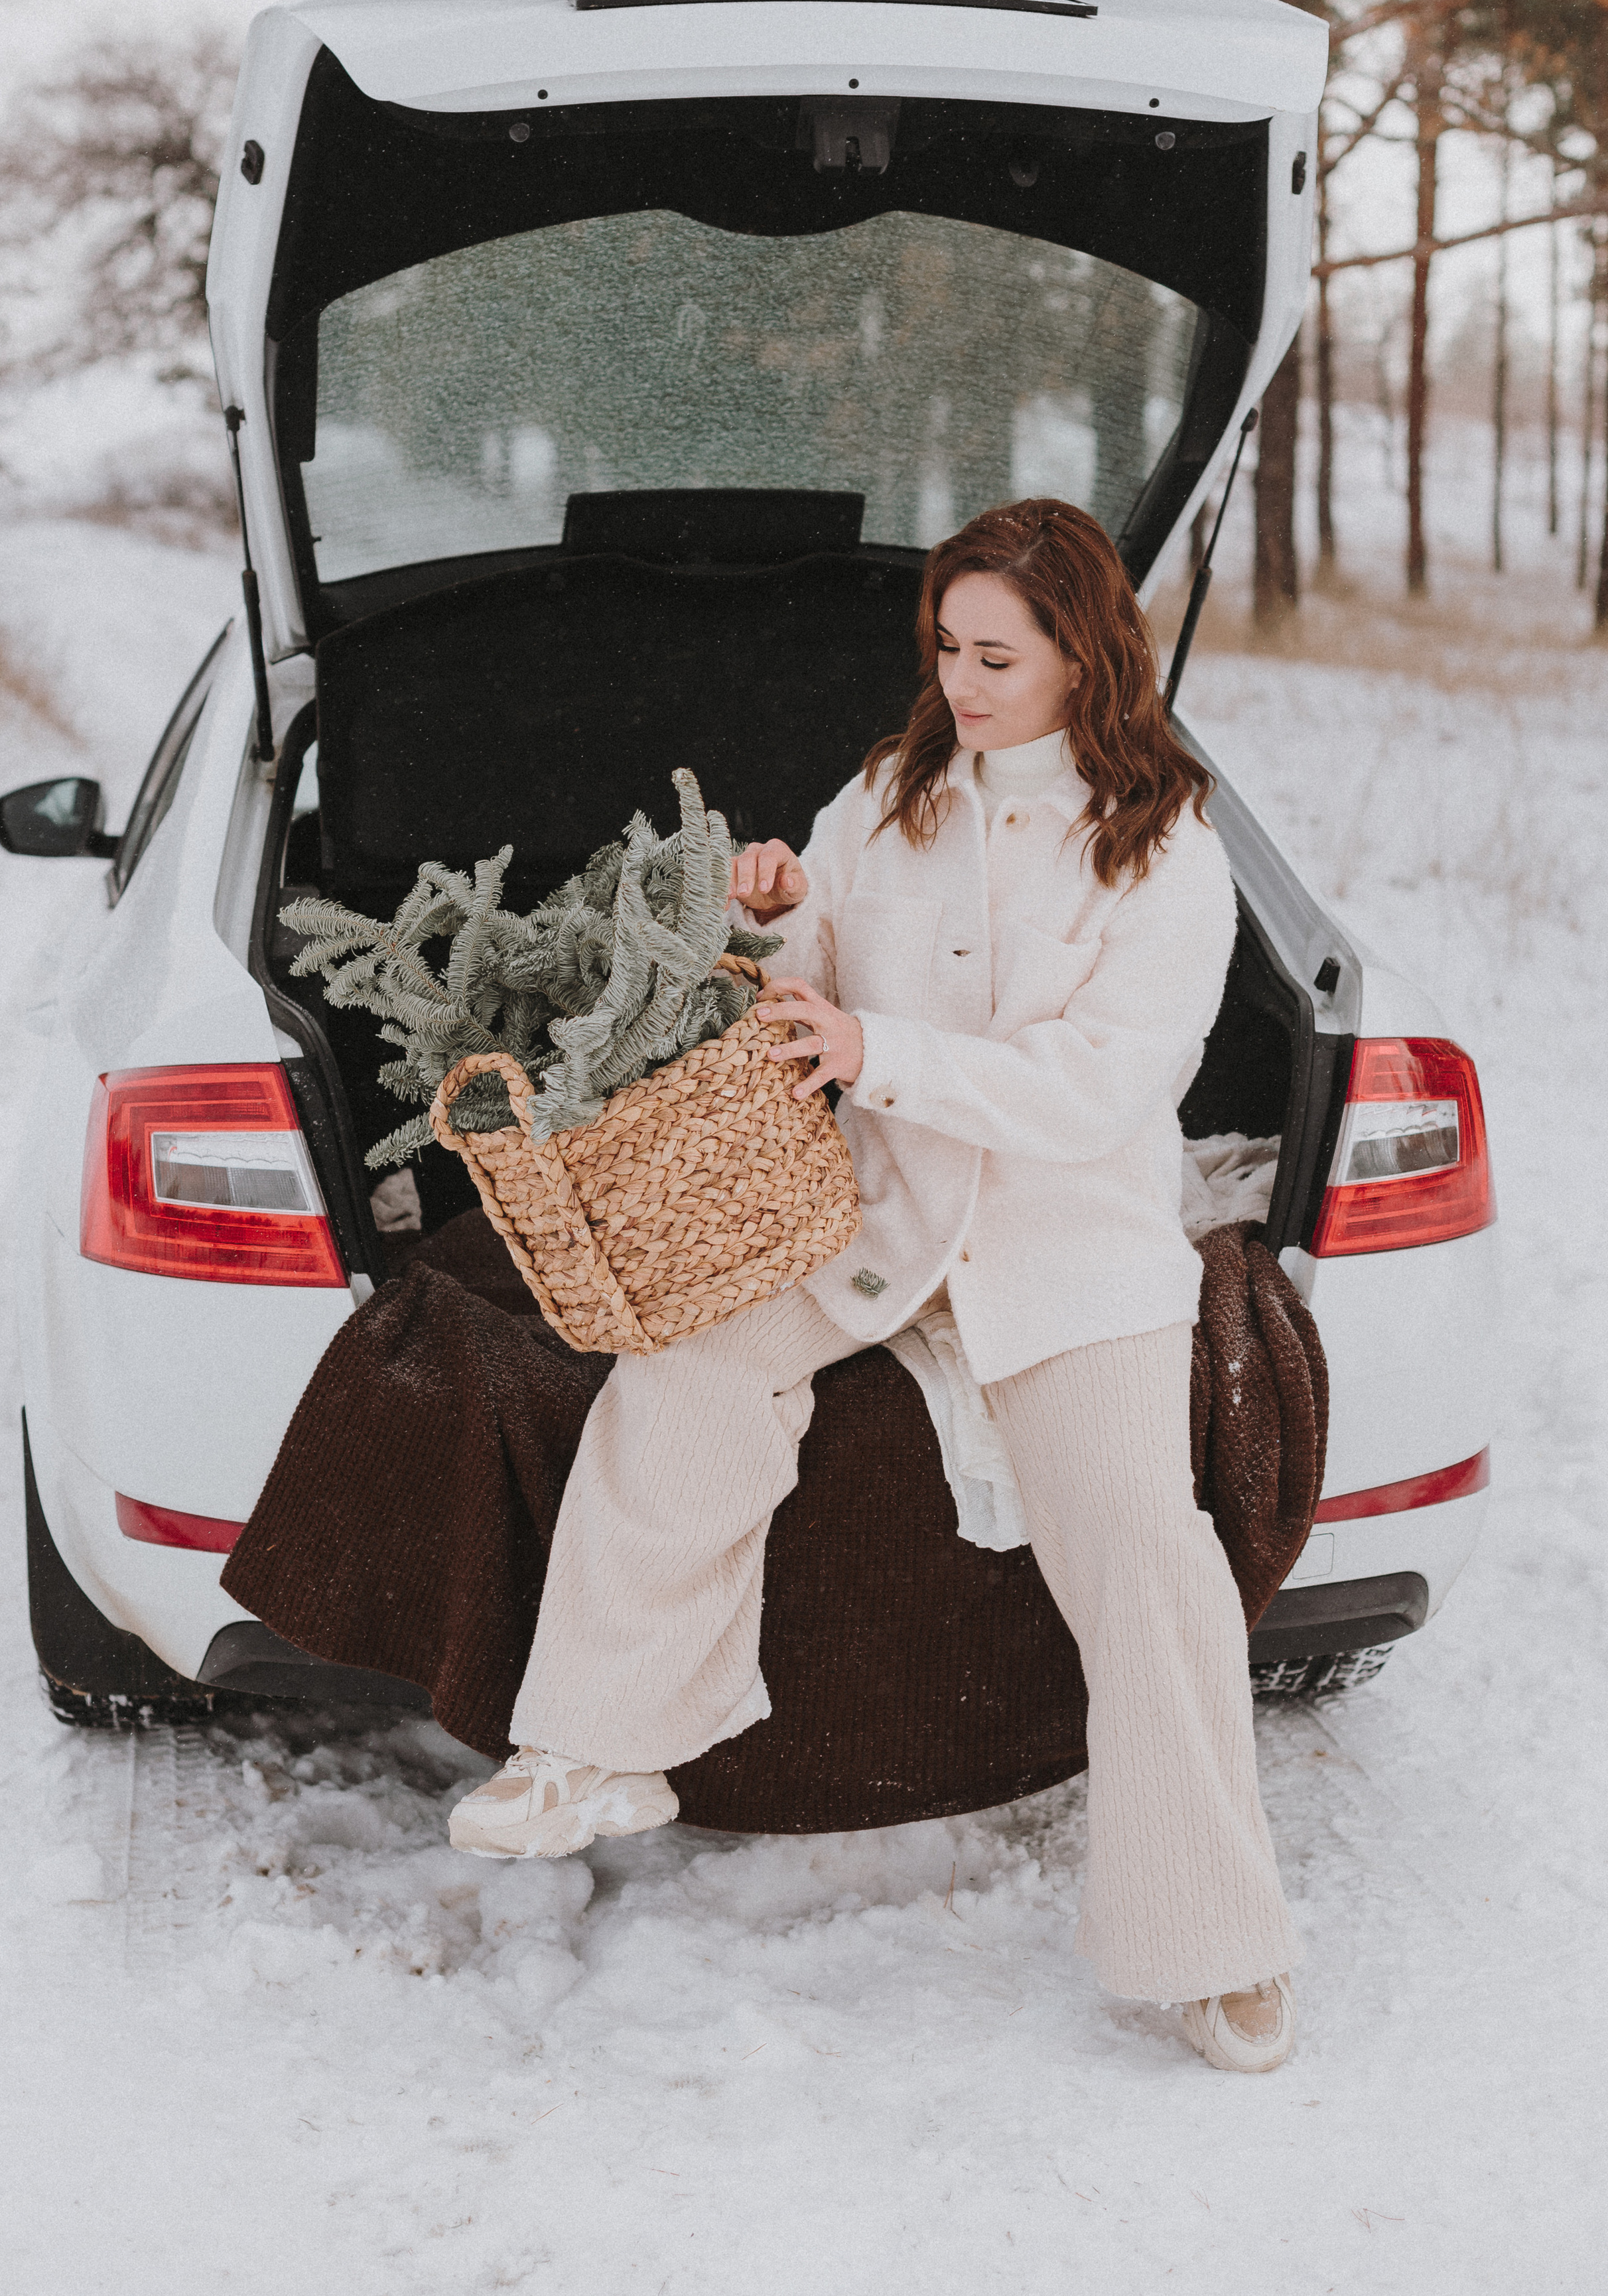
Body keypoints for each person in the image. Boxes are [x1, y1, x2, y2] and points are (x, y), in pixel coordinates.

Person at [448, 497, 1300, 2075]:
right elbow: (811, 983)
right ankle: (594, 1748)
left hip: (1069, 1255)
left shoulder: (1167, 852)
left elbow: (1101, 1088)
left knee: (1142, 1546)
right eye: (945, 649)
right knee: (684, 1363)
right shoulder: (889, 790)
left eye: (995, 658)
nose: (958, 684)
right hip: (870, 1213)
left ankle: (1215, 1939)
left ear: (1082, 657)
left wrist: (874, 1049)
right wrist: (782, 919)